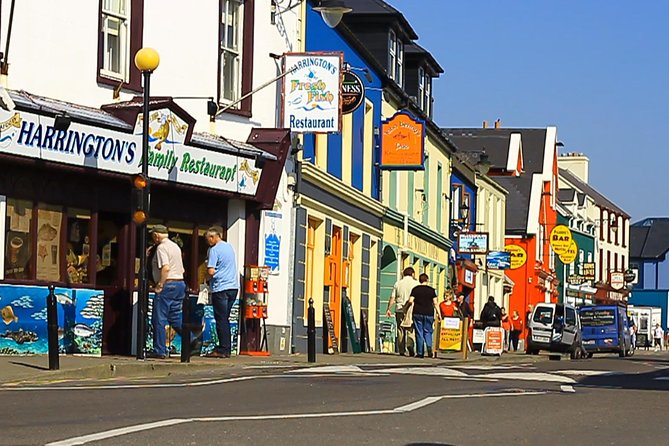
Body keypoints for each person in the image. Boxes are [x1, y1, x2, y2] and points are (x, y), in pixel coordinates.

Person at [147, 225, 186, 359]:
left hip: (168, 284)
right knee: (175, 317)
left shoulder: (162, 248)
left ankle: (159, 350)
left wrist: (160, 284)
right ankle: (191, 340)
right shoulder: (175, 246)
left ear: (156, 235)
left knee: (159, 318)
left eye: (153, 235)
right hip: (180, 283)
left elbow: (166, 268)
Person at [204, 226, 239, 359]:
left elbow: (211, 271)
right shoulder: (229, 247)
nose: (208, 242)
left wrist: (206, 279)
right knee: (226, 318)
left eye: (208, 239)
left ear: (213, 237)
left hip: (221, 288)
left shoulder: (214, 250)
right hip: (233, 288)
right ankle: (226, 347)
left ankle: (223, 349)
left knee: (221, 319)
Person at [405, 273, 440, 358]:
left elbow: (410, 301)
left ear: (419, 280)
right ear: (427, 280)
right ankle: (429, 347)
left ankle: (420, 353)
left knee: (419, 332)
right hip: (429, 313)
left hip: (417, 313)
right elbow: (435, 303)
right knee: (428, 331)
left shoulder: (415, 289)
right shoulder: (431, 290)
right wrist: (439, 313)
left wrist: (406, 308)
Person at [386, 267, 419, 356]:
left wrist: (388, 308)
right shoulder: (416, 283)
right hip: (411, 309)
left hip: (399, 308)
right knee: (410, 328)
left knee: (400, 329)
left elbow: (393, 297)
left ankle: (401, 349)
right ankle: (410, 345)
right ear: (412, 274)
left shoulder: (398, 283)